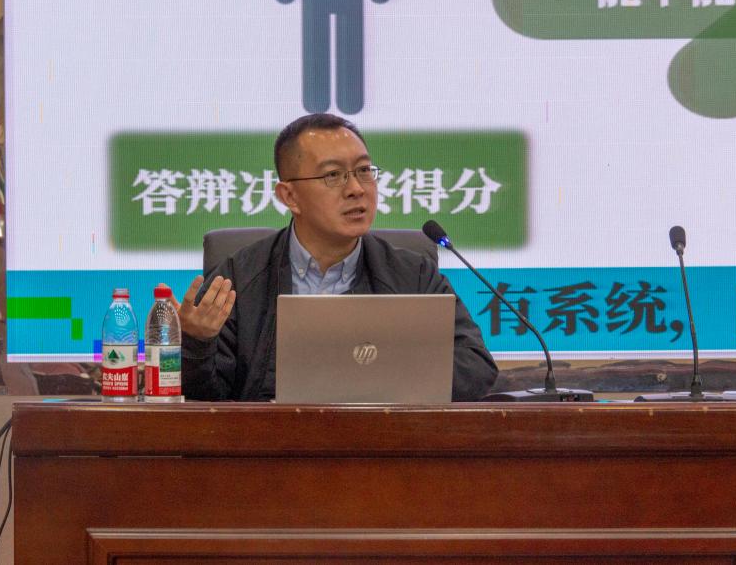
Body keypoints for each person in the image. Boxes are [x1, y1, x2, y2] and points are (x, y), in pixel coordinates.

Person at [171, 115, 498, 401]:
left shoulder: (412, 275)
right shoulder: (237, 278)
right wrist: (197, 345)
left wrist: (374, 379)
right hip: (272, 446)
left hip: (382, 441)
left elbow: (476, 366)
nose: (356, 188)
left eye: (364, 170)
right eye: (333, 175)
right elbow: (206, 399)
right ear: (290, 196)